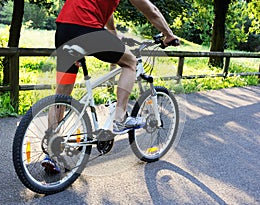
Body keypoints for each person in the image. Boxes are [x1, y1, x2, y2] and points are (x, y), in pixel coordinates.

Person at [42, 0, 180, 173]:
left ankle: (50, 152)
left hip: (64, 29)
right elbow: (151, 10)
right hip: (87, 29)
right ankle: (120, 118)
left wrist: (113, 35)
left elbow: (107, 12)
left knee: (61, 98)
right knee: (130, 63)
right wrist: (168, 34)